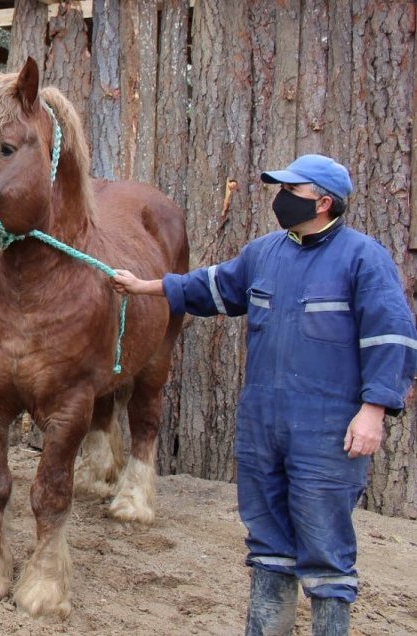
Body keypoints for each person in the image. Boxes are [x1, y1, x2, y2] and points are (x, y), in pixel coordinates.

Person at [110, 154, 417, 635]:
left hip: (328, 430)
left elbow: (392, 337)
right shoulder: (265, 253)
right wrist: (141, 286)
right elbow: (209, 286)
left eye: (291, 192)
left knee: (324, 548)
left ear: (324, 202)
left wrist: (373, 411)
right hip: (263, 426)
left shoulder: (363, 258)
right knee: (268, 544)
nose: (281, 199)